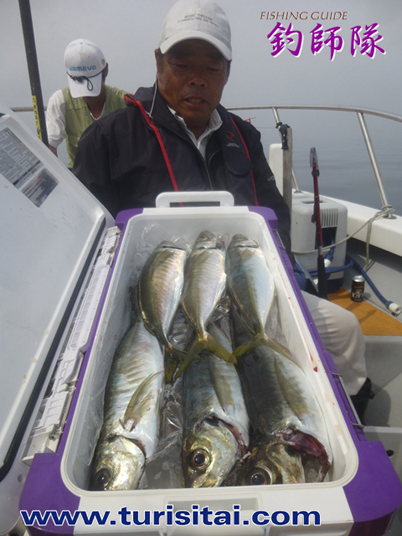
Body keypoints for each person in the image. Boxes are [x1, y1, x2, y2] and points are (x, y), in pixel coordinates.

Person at [73, 0, 372, 421]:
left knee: (345, 332)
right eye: (182, 64)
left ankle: (348, 427)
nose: (197, 79)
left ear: (227, 73)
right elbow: (87, 244)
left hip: (246, 292)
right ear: (158, 63)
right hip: (151, 306)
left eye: (212, 68)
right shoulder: (108, 139)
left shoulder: (244, 138)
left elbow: (275, 216)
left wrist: (266, 274)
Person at [46, 39, 128, 169]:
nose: (86, 95)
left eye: (91, 83)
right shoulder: (59, 102)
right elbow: (49, 148)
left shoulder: (127, 103)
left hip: (118, 176)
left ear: (105, 70)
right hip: (77, 177)